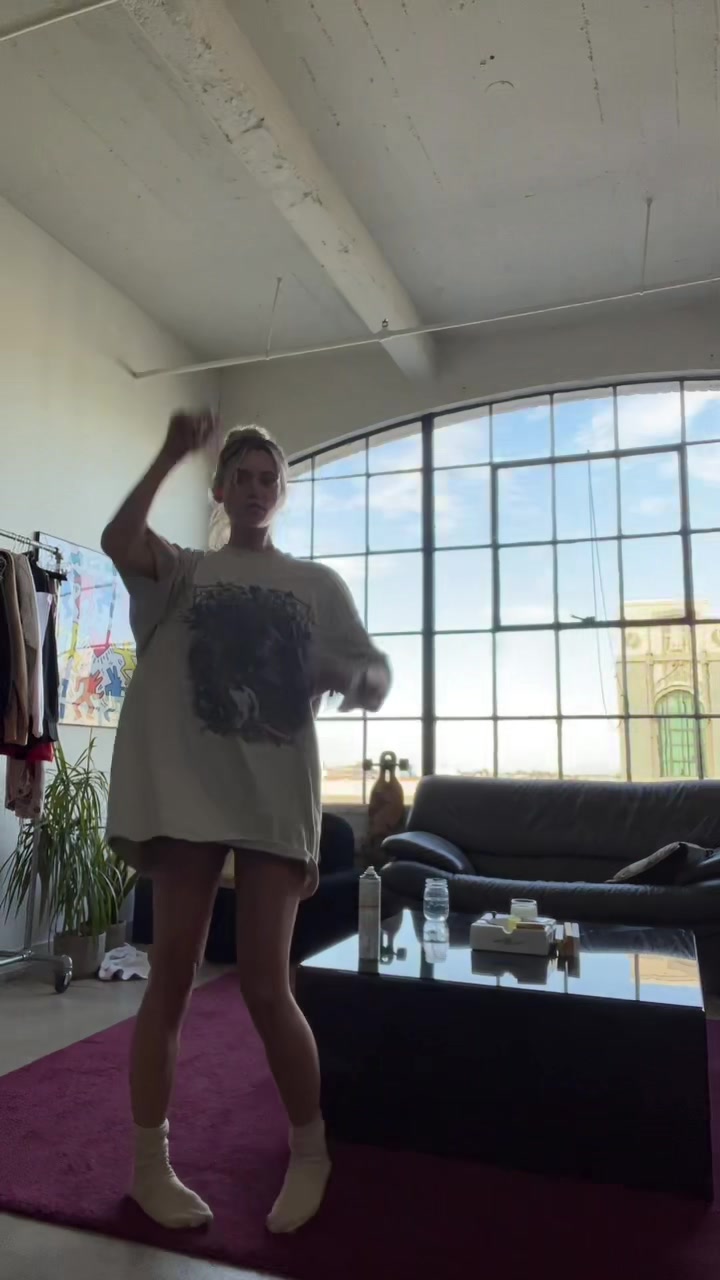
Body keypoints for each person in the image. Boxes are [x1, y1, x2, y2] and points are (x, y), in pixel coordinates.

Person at [101, 412, 391, 1234]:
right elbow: (119, 539)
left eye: (269, 479)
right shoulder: (183, 571)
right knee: (171, 976)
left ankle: (310, 1153)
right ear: (222, 490)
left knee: (267, 984)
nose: (256, 489)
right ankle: (148, 1167)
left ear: (281, 493)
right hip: (187, 797)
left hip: (274, 798)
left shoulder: (315, 584)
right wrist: (170, 450)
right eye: (242, 477)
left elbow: (376, 671)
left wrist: (352, 675)